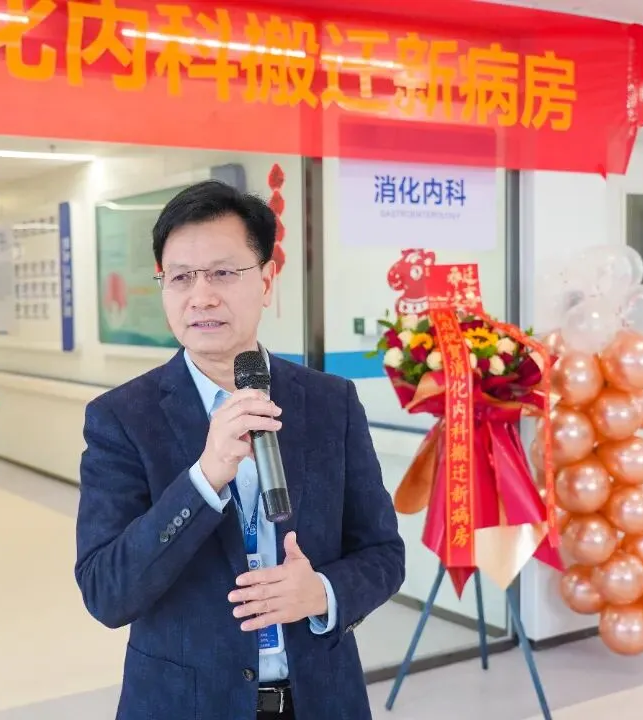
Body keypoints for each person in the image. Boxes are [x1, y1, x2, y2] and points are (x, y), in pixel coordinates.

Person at [74, 180, 406, 719]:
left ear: (267, 281)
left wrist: (321, 592)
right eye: (181, 277)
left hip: (321, 700)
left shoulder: (331, 403)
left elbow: (384, 553)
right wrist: (204, 478)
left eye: (224, 273)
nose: (201, 296)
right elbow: (106, 591)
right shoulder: (121, 418)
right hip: (185, 705)